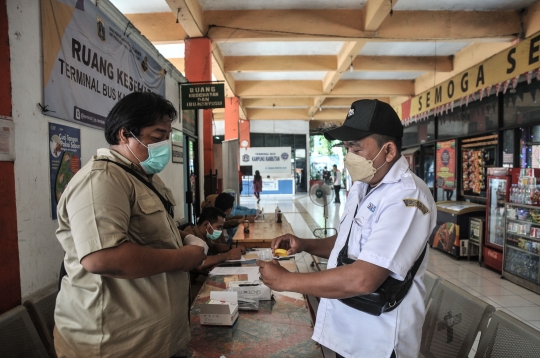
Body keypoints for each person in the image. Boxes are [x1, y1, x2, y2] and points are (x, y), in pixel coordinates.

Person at [257, 99, 436, 358]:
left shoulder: (408, 198)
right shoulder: (364, 184)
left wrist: (287, 281)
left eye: (356, 147)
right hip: (349, 331)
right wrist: (305, 244)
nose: (348, 155)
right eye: (346, 147)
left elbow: (364, 277)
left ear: (388, 151)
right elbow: (346, 241)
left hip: (379, 340)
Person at [53, 92, 206, 358]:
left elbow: (150, 234)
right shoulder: (102, 179)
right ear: (125, 134)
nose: (164, 145)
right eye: (157, 137)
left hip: (152, 339)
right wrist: (183, 259)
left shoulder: (142, 176)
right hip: (113, 343)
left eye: (167, 137)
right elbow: (101, 258)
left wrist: (184, 238)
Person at [181, 207, 246, 272]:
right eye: (218, 227)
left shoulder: (204, 234)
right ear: (206, 225)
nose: (220, 231)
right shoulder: (190, 236)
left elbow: (213, 247)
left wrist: (231, 247)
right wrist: (228, 255)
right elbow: (200, 263)